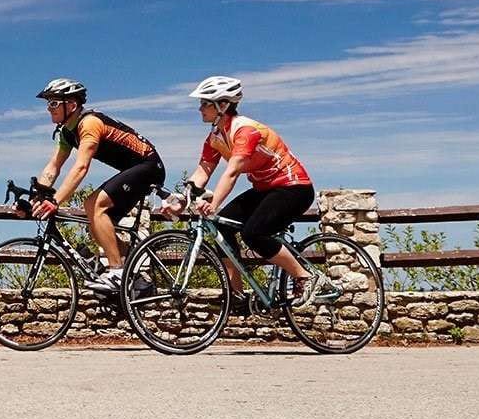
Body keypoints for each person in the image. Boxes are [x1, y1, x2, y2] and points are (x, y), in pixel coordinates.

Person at [169, 75, 325, 305]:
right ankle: (237, 295)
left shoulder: (246, 131)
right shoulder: (215, 136)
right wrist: (182, 198)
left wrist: (213, 204)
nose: (200, 108)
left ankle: (305, 276)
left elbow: (232, 172)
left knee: (254, 234)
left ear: (223, 105)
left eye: (205, 103)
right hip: (265, 188)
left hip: (294, 188)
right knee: (221, 227)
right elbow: (203, 170)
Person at [25, 78, 167, 293]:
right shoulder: (66, 132)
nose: (48, 108)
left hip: (148, 166)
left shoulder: (89, 123)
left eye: (54, 103)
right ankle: (134, 279)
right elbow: (53, 167)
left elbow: (81, 167)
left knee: (93, 204)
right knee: (100, 221)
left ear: (71, 105)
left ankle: (117, 273)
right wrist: (35, 197)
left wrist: (55, 201)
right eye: (48, 103)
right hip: (134, 170)